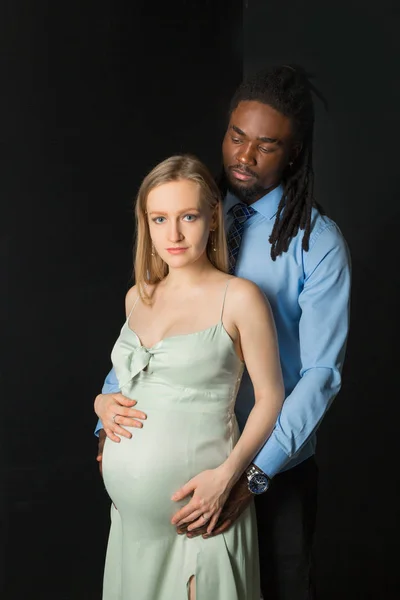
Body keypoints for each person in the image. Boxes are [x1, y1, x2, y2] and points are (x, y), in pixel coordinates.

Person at [94, 65, 351, 599]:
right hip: (170, 485)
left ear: (293, 152)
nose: (244, 156)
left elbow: (321, 375)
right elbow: (154, 320)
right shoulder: (192, 214)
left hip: (268, 468)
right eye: (237, 137)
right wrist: (110, 410)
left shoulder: (315, 243)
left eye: (266, 145)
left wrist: (250, 475)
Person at [98, 153, 284, 600]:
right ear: (146, 223)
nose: (174, 234)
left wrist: (228, 477)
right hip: (132, 524)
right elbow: (131, 382)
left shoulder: (239, 298)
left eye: (188, 216)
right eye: (160, 218)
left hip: (199, 517)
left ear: (213, 218)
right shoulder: (137, 297)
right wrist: (101, 405)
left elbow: (272, 398)